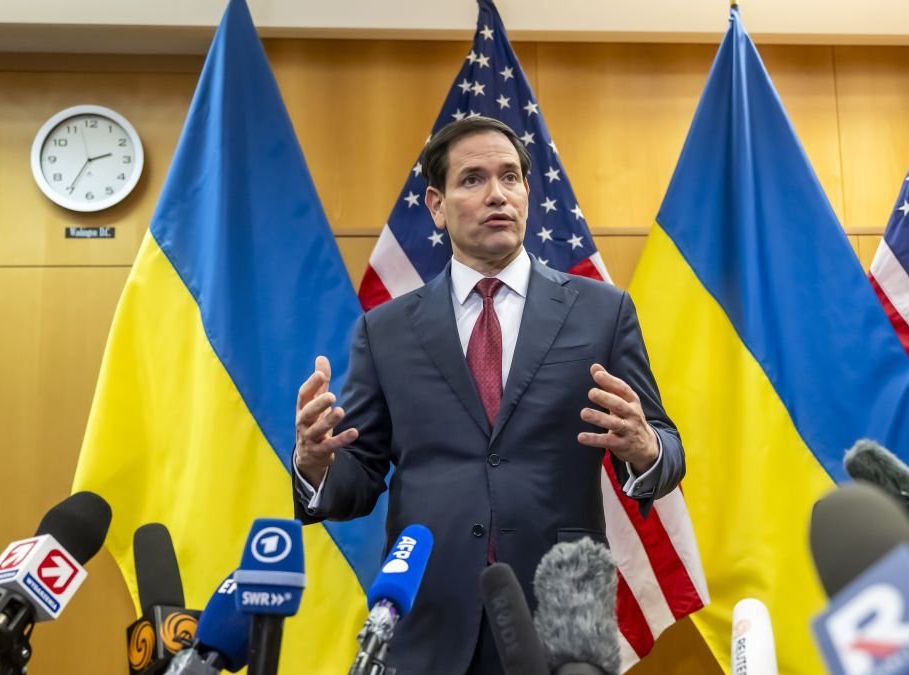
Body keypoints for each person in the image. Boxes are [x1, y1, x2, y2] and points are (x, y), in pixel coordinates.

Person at [291, 116, 685, 674]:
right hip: (431, 616)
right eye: (472, 179)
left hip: (562, 614)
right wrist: (316, 464)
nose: (496, 194)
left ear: (526, 192)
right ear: (436, 204)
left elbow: (665, 450)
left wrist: (645, 448)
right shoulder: (386, 331)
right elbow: (358, 476)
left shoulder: (602, 311)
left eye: (509, 177)